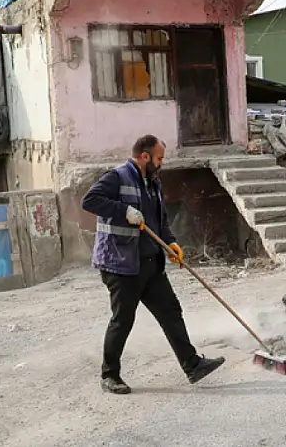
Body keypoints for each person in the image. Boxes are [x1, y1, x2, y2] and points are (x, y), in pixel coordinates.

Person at [82, 134, 225, 394]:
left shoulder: (153, 184)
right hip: (121, 266)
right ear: (144, 156)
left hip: (150, 263)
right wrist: (123, 211)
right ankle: (109, 376)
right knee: (122, 320)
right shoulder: (117, 177)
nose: (162, 162)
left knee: (171, 311)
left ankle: (192, 365)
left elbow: (160, 222)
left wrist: (170, 244)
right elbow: (90, 201)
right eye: (159, 158)